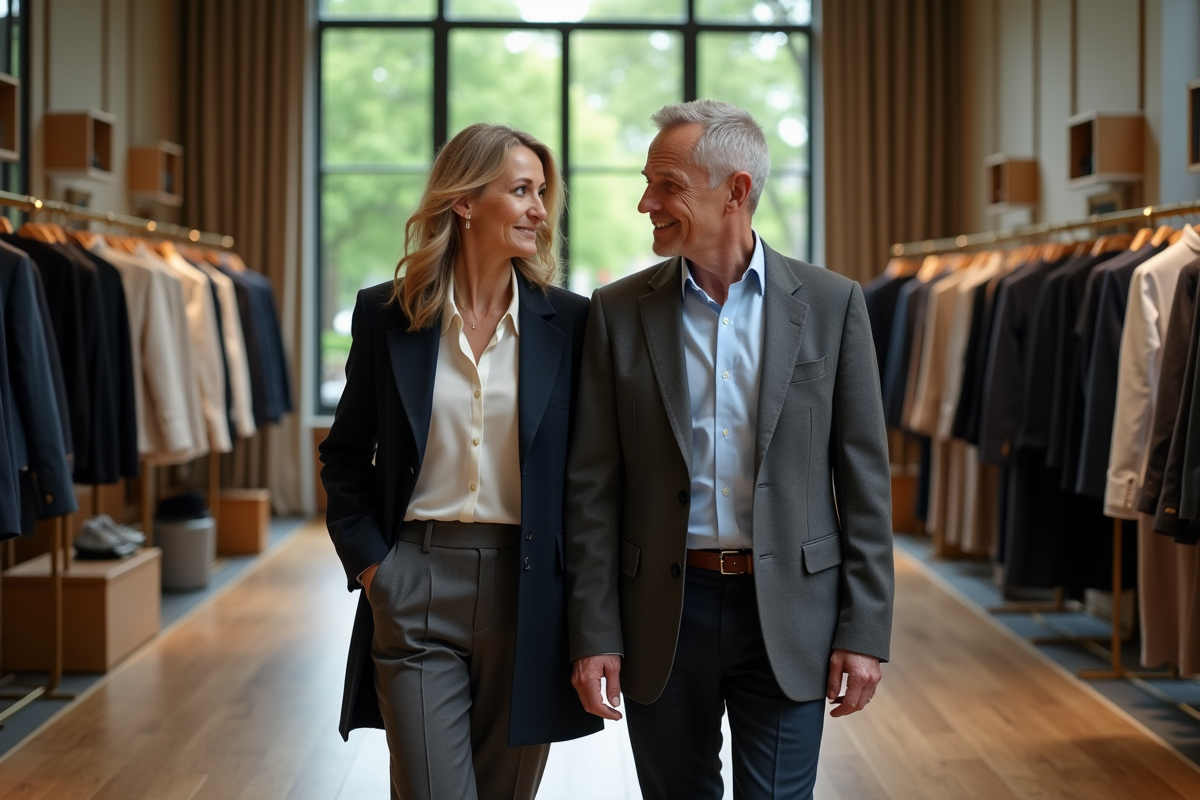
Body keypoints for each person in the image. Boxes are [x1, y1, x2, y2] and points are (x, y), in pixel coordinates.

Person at [564, 100, 895, 800]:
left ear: (736, 191)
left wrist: (865, 629)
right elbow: (592, 488)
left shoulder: (833, 305)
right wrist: (595, 629)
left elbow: (864, 481)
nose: (645, 202)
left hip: (791, 614)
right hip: (661, 614)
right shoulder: (617, 312)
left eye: (668, 185)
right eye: (648, 182)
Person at [320, 122, 601, 800]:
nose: (540, 209)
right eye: (522, 191)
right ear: (465, 202)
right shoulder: (387, 316)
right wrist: (375, 569)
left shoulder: (574, 323)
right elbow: (346, 455)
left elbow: (592, 483)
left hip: (533, 593)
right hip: (414, 582)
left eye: (543, 194)